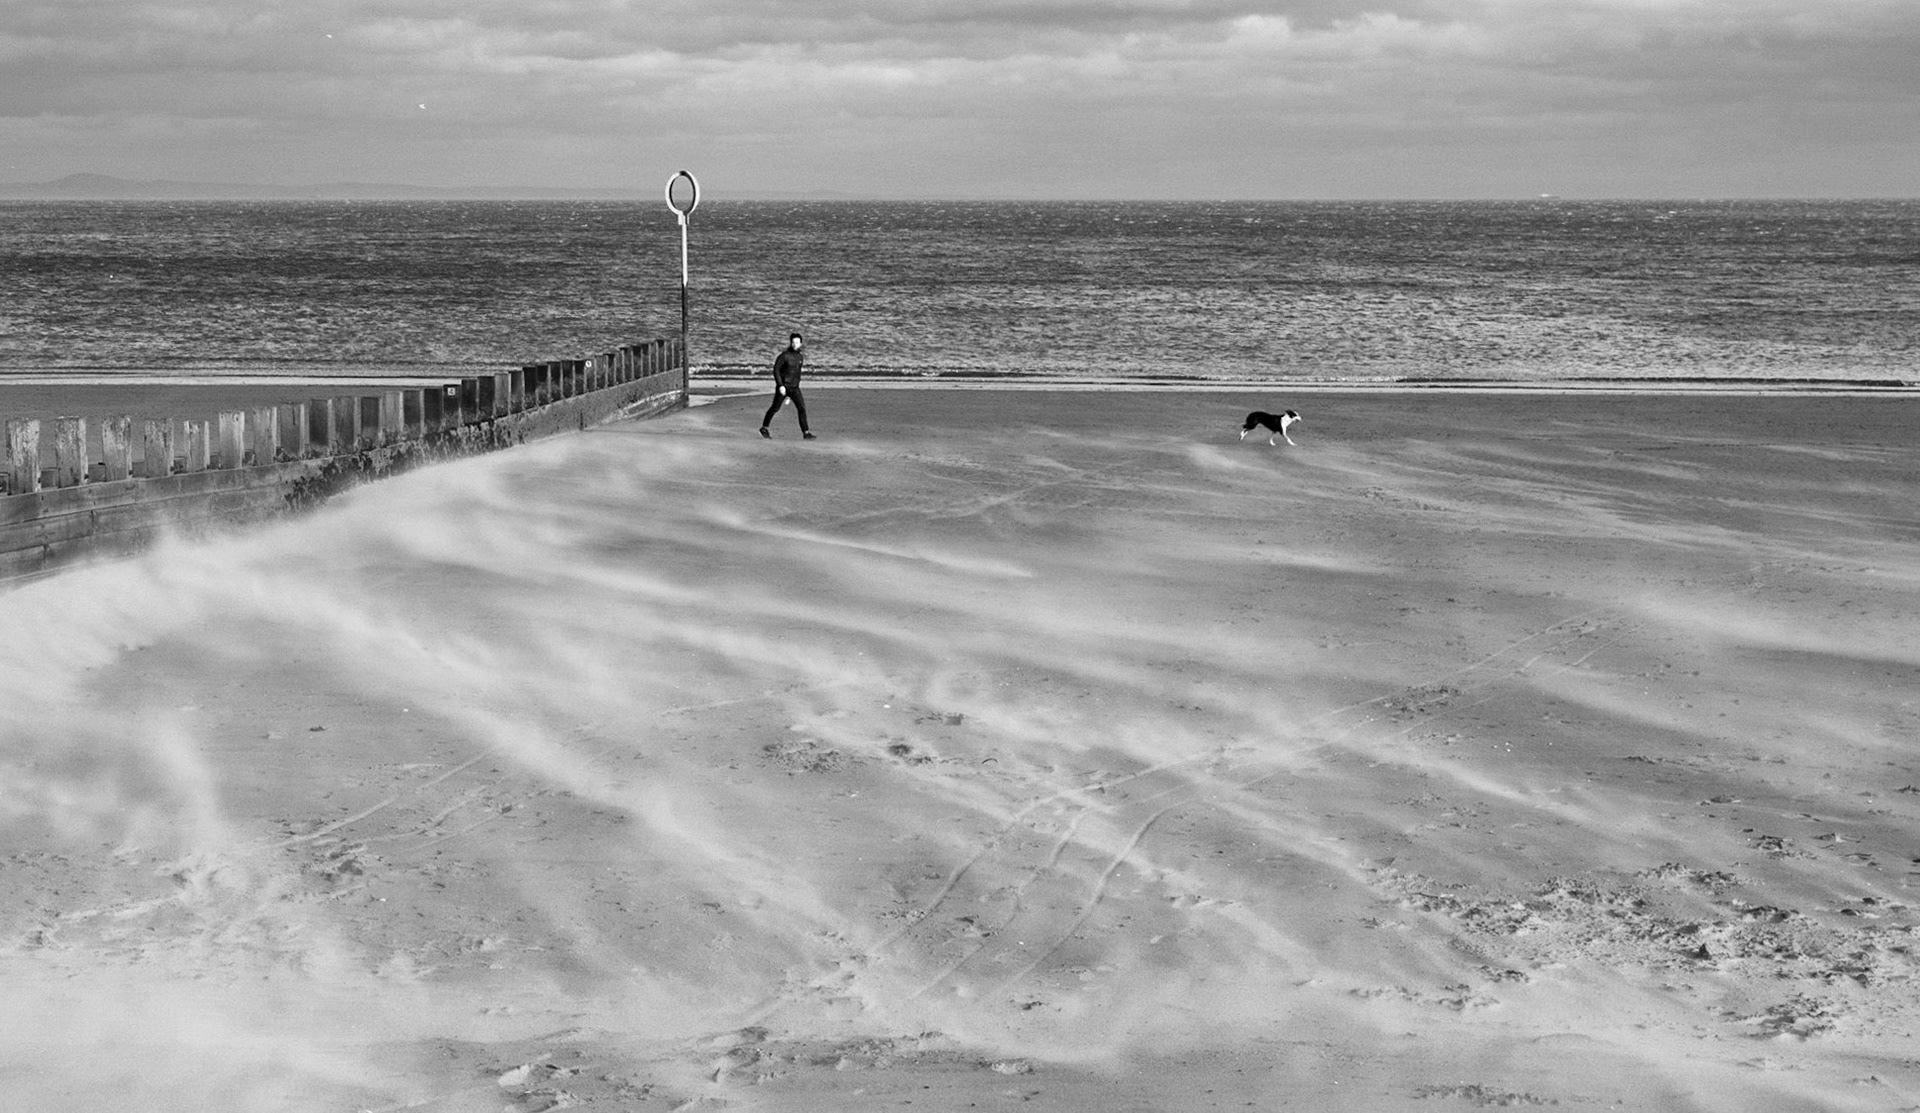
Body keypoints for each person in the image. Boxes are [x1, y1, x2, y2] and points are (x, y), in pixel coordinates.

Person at [759, 332, 814, 440]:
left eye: (797, 342)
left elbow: (797, 374)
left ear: (801, 344)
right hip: (783, 387)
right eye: (793, 342)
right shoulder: (784, 356)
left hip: (794, 388)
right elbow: (776, 370)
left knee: (802, 408)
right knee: (775, 408)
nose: (795, 344)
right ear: (790, 343)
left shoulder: (800, 357)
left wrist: (793, 390)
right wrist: (780, 385)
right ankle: (764, 428)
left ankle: (806, 433)